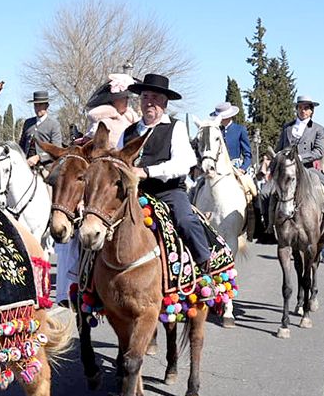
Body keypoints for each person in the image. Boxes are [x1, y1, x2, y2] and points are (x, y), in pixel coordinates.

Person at [117, 73, 211, 269]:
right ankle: (88, 280)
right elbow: (117, 162)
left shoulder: (175, 128)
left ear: (164, 103)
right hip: (133, 192)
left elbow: (184, 163)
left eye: (155, 98)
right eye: (145, 97)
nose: (149, 103)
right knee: (99, 222)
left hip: (167, 192)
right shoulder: (128, 132)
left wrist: (147, 171)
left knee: (185, 221)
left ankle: (205, 265)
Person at [275, 95, 324, 243]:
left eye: (306, 108)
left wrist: (300, 158)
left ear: (311, 111)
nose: (303, 110)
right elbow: (279, 148)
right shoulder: (287, 127)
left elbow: (319, 151)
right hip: (287, 170)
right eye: (300, 107)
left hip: (308, 169)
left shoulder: (318, 129)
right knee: (266, 193)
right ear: (296, 109)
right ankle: (267, 228)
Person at [84, 73, 139, 148]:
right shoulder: (102, 121)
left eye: (127, 98)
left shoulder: (131, 119)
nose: (126, 101)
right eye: (122, 98)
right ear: (113, 100)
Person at [19, 91, 62, 169]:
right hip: (26, 165)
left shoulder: (54, 124)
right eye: (35, 105)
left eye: (40, 105)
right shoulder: (28, 123)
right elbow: (21, 145)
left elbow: (57, 150)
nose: (38, 108)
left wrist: (39, 157)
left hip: (46, 166)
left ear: (47, 106)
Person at [211, 102, 253, 172]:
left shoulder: (240, 129)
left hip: (236, 169)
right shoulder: (216, 131)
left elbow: (247, 154)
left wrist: (243, 168)